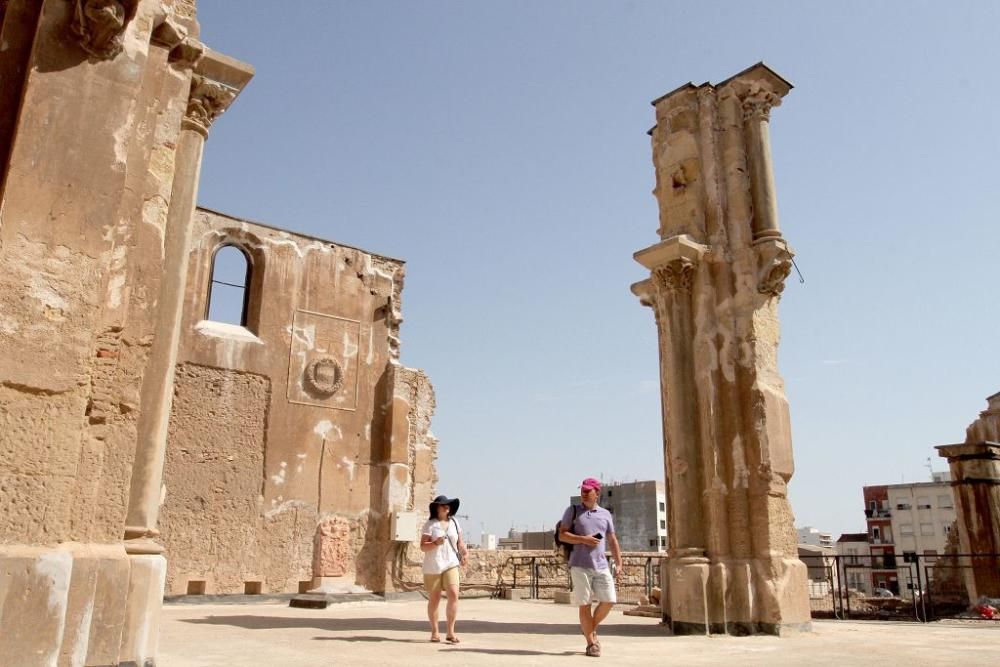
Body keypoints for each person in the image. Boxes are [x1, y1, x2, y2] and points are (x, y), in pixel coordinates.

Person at [559, 477, 622, 658]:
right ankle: (591, 643)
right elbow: (562, 535)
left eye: (588, 491)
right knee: (585, 605)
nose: (584, 494)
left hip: (601, 565)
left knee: (609, 600)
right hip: (579, 565)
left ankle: (589, 629)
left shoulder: (605, 514)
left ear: (597, 493)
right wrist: (583, 539)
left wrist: (619, 562)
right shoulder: (572, 511)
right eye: (582, 491)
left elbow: (612, 539)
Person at [420, 494, 468, 644]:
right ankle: (435, 632)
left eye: (448, 504)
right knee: (435, 598)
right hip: (433, 565)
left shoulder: (454, 522)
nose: (446, 506)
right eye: (443, 504)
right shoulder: (430, 524)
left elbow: (460, 542)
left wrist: (465, 553)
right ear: (437, 508)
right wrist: (435, 543)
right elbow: (423, 546)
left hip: (451, 563)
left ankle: (450, 632)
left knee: (453, 594)